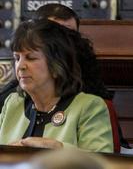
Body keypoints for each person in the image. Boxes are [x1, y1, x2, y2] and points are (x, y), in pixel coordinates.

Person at [0, 20, 113, 152]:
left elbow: (102, 163)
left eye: (31, 58)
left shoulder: (89, 107)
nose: (20, 66)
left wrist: (57, 148)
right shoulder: (13, 104)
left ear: (56, 65)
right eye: (17, 58)